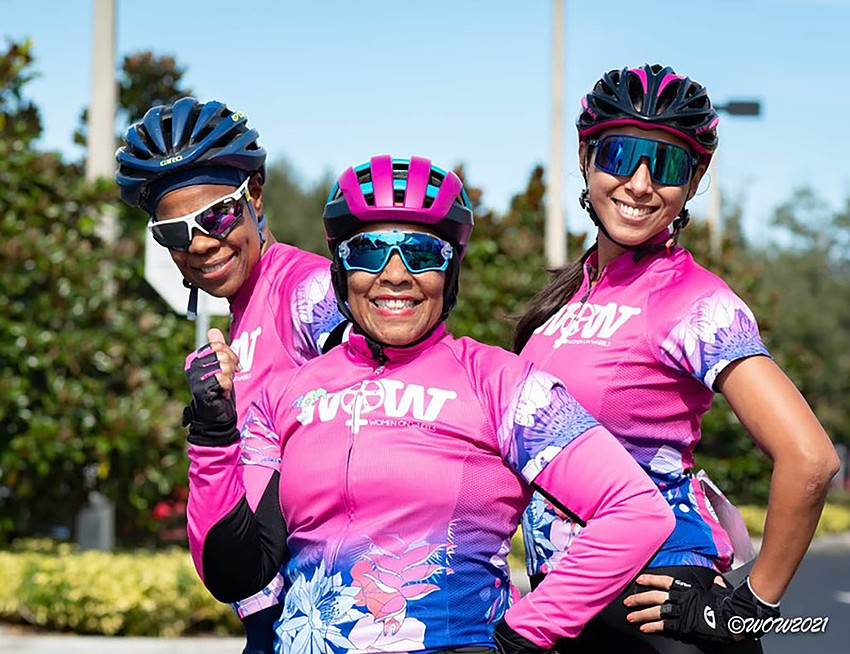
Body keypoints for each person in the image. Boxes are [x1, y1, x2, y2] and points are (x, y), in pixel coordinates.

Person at [183, 155, 676, 654]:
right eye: (370, 251)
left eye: (421, 253)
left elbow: (635, 511)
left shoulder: (501, 384)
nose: (395, 275)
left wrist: (527, 633)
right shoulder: (283, 397)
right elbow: (236, 573)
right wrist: (212, 435)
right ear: (341, 271)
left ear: (450, 271)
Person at [514, 64, 840, 652]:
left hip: (655, 603)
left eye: (664, 164)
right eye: (620, 155)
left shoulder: (696, 302)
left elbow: (810, 458)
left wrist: (748, 608)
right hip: (566, 599)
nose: (640, 184)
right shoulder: (572, 295)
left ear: (693, 181)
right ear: (587, 159)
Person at [115, 96, 346, 654]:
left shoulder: (305, 289)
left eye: (217, 215)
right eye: (173, 233)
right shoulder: (240, 316)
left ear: (257, 195)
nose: (199, 243)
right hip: (268, 621)